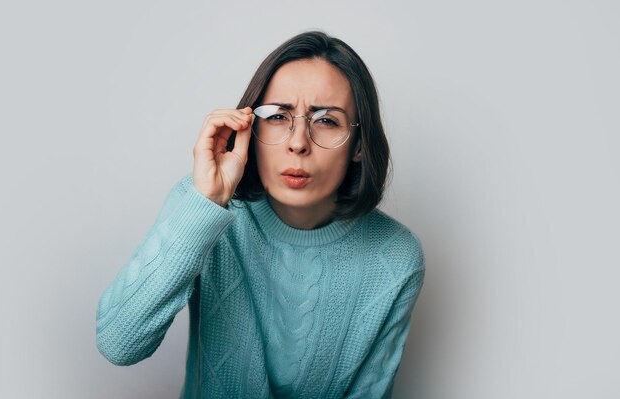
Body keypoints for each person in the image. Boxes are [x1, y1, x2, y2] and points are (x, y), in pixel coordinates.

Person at [96, 31, 425, 398]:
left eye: (327, 120)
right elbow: (118, 344)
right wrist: (204, 204)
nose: (298, 142)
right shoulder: (205, 211)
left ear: (359, 146)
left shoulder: (394, 256)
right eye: (278, 116)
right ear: (249, 127)